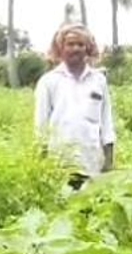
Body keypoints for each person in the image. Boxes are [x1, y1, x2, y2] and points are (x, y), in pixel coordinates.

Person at [34, 22, 116, 190]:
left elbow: (106, 122)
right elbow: (40, 126)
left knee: (92, 210)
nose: (76, 48)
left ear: (87, 48)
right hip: (59, 165)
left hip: (92, 163)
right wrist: (40, 165)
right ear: (61, 48)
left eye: (81, 44)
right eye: (70, 44)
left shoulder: (98, 80)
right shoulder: (49, 81)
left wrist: (108, 161)